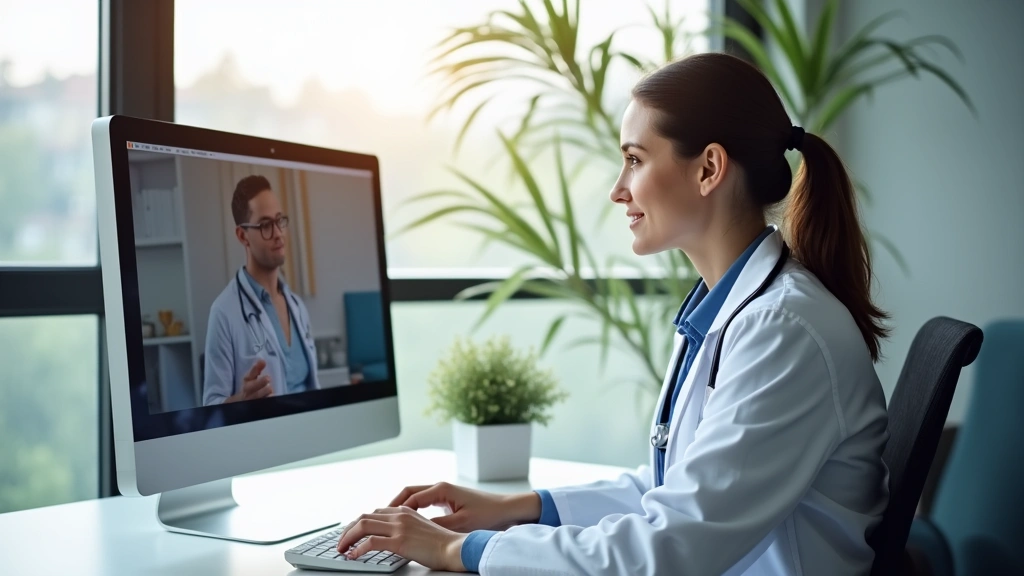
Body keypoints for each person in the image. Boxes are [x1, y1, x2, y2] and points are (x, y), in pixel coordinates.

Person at [334, 53, 891, 575]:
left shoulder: (783, 331)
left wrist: (456, 548)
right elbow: (670, 490)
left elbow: (668, 546)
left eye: (634, 160)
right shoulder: (734, 312)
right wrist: (516, 507)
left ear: (709, 169)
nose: (617, 190)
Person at [203, 175, 321, 405]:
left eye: (280, 221)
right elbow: (211, 404)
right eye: (266, 225)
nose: (278, 233)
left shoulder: (297, 307)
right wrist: (242, 400)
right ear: (242, 235)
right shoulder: (223, 313)